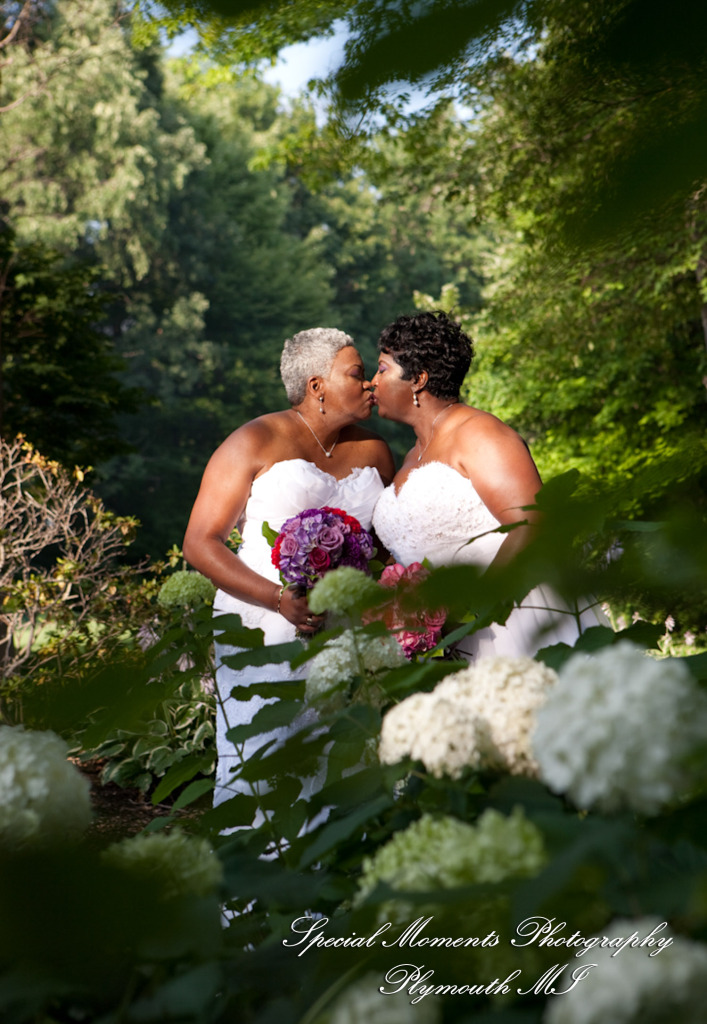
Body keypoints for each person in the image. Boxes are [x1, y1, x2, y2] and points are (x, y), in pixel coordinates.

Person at [183, 328, 394, 817]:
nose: (368, 384)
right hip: (264, 622)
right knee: (268, 756)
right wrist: (279, 599)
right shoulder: (254, 440)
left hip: (349, 631)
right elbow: (200, 542)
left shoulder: (375, 451)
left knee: (346, 762)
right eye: (357, 374)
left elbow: (383, 545)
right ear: (317, 385)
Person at [370, 310, 600, 660]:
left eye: (382, 369)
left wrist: (465, 610)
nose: (372, 381)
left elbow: (532, 523)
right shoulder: (411, 457)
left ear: (418, 379)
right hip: (441, 645)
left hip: (506, 621)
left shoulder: (479, 433)